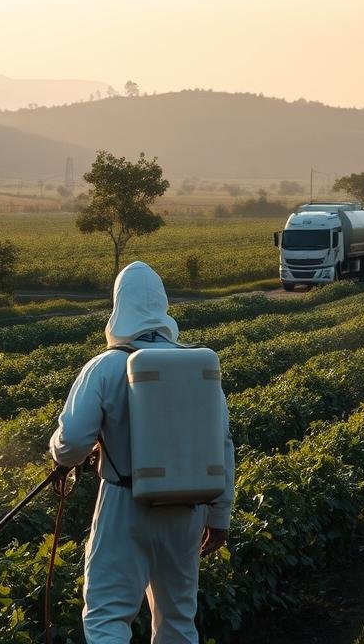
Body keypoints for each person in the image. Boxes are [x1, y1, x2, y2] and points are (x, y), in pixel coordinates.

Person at [50, 261, 235, 644]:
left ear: (119, 306)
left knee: (107, 614)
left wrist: (60, 455)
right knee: (178, 618)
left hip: (124, 503)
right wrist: (220, 515)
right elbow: (222, 445)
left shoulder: (104, 367)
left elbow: (71, 444)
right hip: (187, 507)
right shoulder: (198, 366)